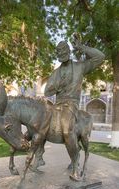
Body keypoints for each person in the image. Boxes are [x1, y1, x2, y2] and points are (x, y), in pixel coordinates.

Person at [44, 34, 105, 180]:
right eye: (59, 53)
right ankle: (37, 158)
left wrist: (82, 48)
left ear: (69, 52)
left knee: (66, 130)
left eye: (64, 52)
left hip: (70, 104)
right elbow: (47, 91)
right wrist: (58, 85)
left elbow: (100, 57)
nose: (62, 55)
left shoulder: (79, 67)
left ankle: (76, 164)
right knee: (37, 124)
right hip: (56, 105)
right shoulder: (56, 72)